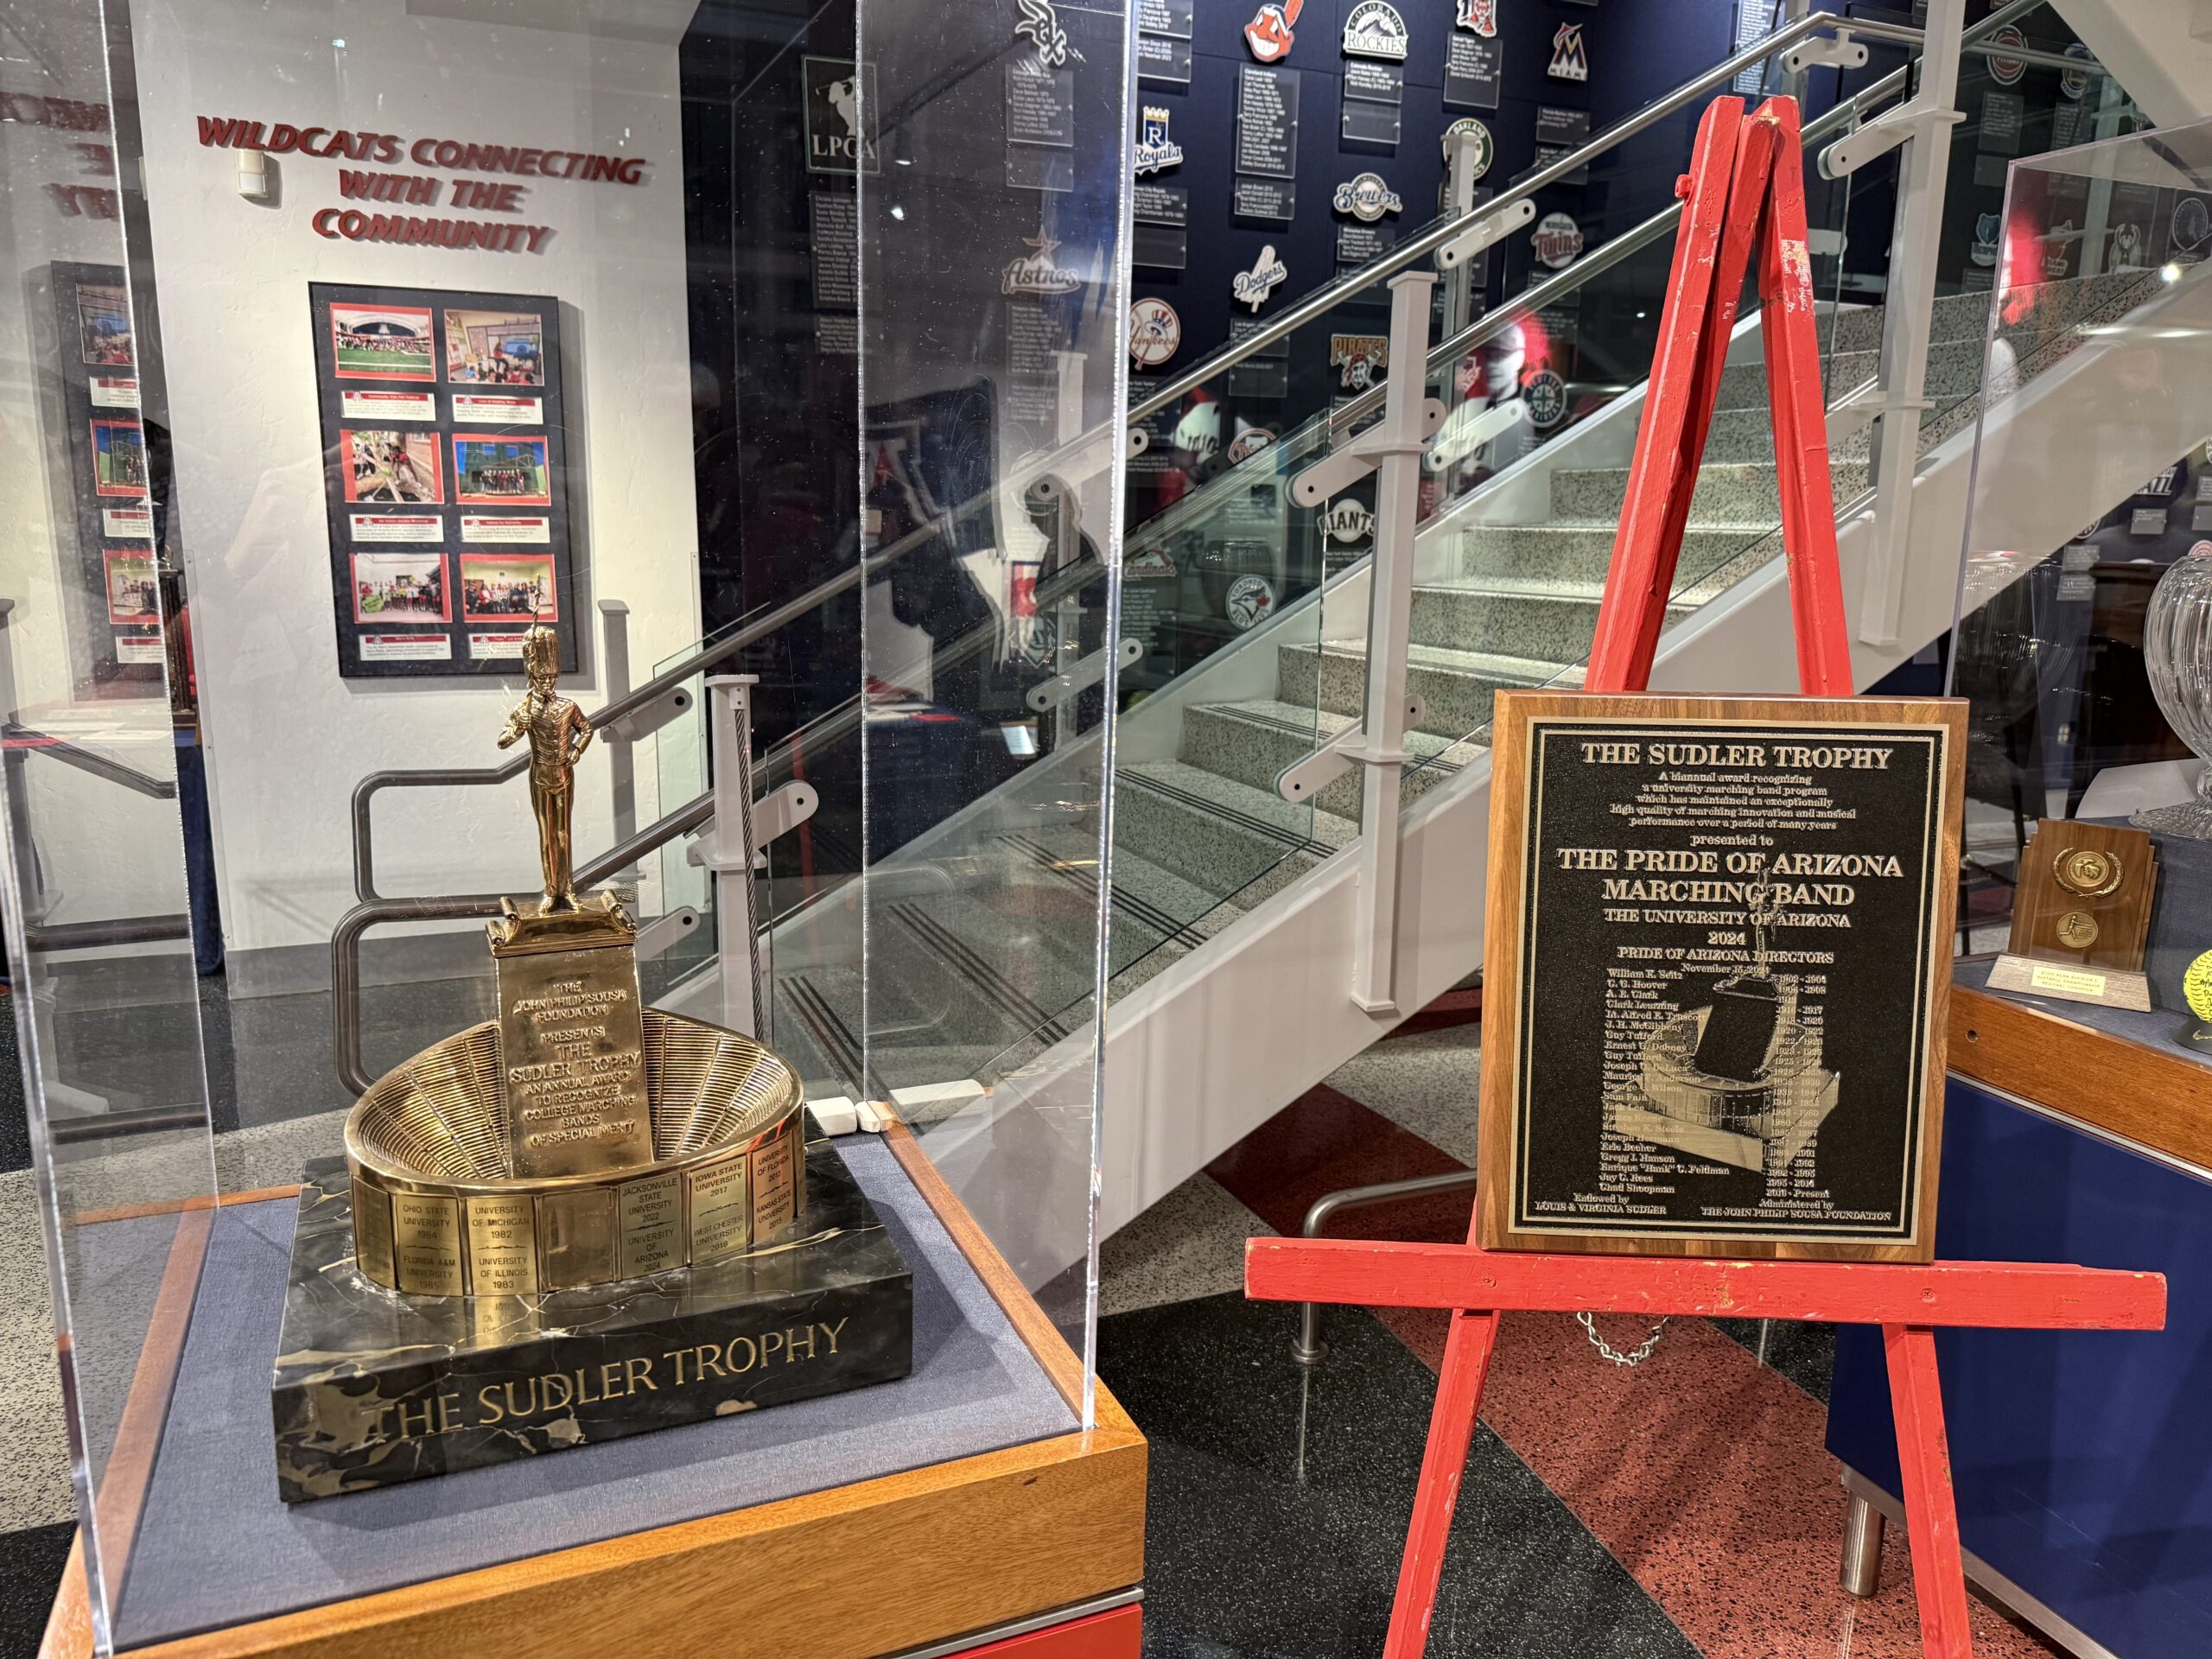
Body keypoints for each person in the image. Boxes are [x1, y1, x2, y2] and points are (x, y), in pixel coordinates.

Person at [496, 626, 591, 912]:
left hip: (564, 774)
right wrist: (517, 730)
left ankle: (568, 889)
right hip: (539, 776)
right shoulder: (525, 709)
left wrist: (576, 749)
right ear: (532, 676)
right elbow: (503, 741)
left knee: (564, 834)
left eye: (551, 678)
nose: (548, 683)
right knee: (546, 835)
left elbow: (586, 729)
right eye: (541, 678)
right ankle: (551, 891)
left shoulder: (568, 706)